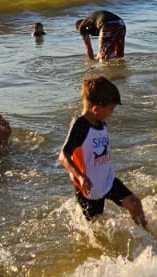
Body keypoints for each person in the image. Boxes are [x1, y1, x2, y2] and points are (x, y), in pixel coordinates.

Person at [60, 75, 148, 228]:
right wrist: (80, 177)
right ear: (95, 109)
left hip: (108, 180)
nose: (111, 113)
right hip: (89, 188)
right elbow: (63, 156)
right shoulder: (80, 125)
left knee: (135, 204)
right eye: (110, 109)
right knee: (97, 227)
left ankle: (148, 237)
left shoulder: (100, 121)